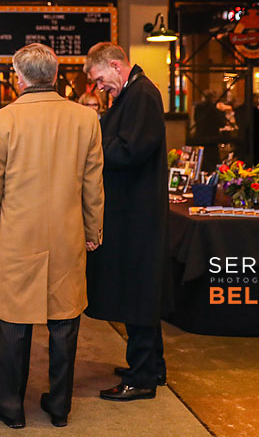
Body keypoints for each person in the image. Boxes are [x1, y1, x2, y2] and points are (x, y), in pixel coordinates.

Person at [0, 43, 105, 429]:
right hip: (67, 235)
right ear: (54, 75)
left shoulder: (0, 121)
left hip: (18, 237)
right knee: (65, 322)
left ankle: (12, 407)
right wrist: (93, 227)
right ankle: (60, 406)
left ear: (19, 77)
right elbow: (93, 184)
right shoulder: (85, 120)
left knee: (15, 324)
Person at [84, 42, 171, 402]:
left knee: (138, 292)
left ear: (116, 65)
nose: (98, 87)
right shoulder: (132, 94)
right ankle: (152, 367)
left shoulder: (142, 95)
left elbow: (130, 150)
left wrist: (89, 148)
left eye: (100, 78)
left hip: (138, 214)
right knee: (142, 291)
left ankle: (142, 378)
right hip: (135, 210)